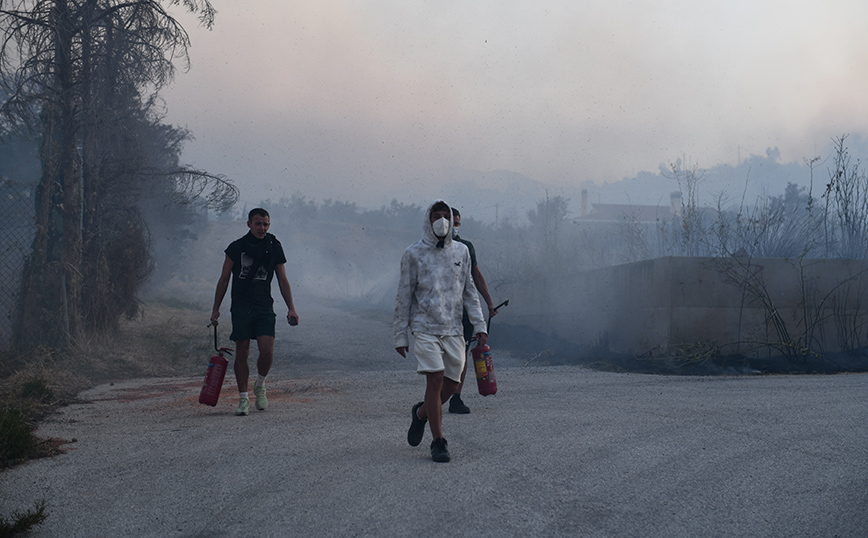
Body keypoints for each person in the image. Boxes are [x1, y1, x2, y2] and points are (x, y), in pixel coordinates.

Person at [394, 200, 487, 462]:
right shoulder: (413, 254)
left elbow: (469, 291)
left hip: (453, 328)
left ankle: (422, 413)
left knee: (452, 384)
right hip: (424, 327)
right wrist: (400, 334)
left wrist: (479, 324)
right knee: (434, 379)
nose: (442, 221)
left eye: (446, 216)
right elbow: (403, 296)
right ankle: (438, 442)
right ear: (428, 220)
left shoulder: (462, 252)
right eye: (437, 216)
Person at [210, 208, 298, 416]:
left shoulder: (274, 247)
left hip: (264, 306)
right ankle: (243, 399)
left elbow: (282, 280)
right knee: (242, 352)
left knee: (267, 351)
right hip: (241, 306)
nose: (262, 228)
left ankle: (260, 384)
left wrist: (291, 308)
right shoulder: (236, 247)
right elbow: (224, 279)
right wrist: (215, 309)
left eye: (266, 224)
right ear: (249, 224)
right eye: (258, 224)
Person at [448, 208, 498, 414]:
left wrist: (489, 302)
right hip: (440, 314)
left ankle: (455, 398)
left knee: (462, 356)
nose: (452, 227)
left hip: (463, 314)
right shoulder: (430, 248)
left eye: (456, 223)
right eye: (451, 221)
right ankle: (434, 397)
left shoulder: (466, 248)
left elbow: (476, 277)